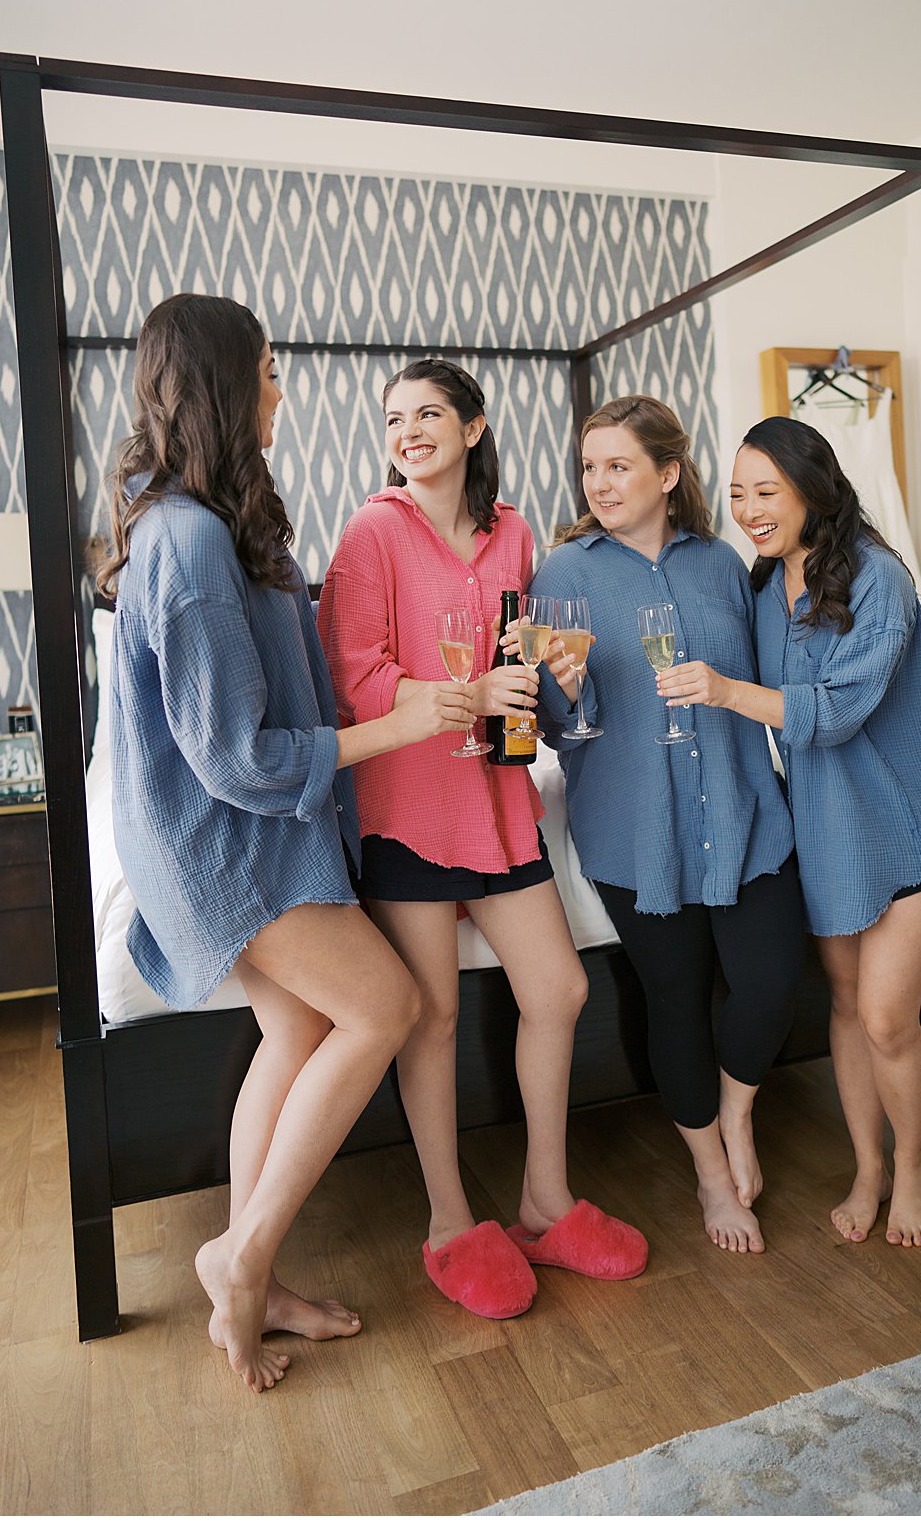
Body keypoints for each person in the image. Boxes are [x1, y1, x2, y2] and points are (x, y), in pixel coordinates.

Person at [102, 294, 469, 1390]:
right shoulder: (186, 540)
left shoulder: (208, 522)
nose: (280, 388)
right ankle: (243, 1253)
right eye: (266, 370)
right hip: (223, 842)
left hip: (239, 831)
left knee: (301, 1026)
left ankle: (253, 1271)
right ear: (222, 383)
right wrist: (393, 724)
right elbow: (236, 758)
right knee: (388, 1005)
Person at [316, 358, 645, 1317]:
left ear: (474, 426)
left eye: (428, 414)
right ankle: (451, 1221)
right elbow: (354, 678)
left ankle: (545, 1202)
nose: (409, 431)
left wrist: (550, 682)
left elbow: (521, 666)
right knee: (435, 1018)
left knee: (562, 987)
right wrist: (462, 694)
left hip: (499, 801)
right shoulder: (373, 533)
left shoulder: (515, 535)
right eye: (393, 419)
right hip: (407, 809)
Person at [679, 416, 921, 1248]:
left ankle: (912, 1165)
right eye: (737, 494)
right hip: (824, 824)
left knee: (887, 1017)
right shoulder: (758, 586)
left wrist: (728, 692)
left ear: (814, 487)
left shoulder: (879, 577)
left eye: (765, 492)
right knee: (846, 1007)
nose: (748, 509)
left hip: (909, 819)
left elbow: (840, 709)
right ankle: (868, 1167)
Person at [529, 395, 806, 1254]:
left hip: (742, 806)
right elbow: (548, 726)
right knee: (676, 999)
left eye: (618, 465)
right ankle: (712, 1178)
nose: (600, 483)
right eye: (588, 468)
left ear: (667, 473)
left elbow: (767, 677)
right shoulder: (565, 573)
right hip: (633, 824)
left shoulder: (724, 563)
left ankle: (737, 1114)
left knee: (769, 984)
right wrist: (569, 691)